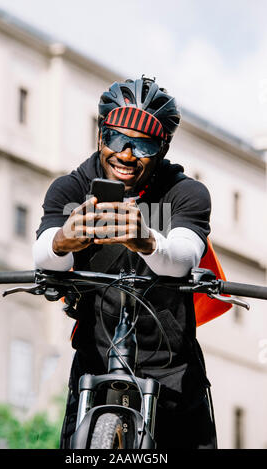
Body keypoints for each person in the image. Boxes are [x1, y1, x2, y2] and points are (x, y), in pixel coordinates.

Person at [33, 76, 217, 449]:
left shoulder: (187, 193)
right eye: (117, 138)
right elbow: (42, 253)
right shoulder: (70, 188)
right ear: (101, 137)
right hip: (94, 363)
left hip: (173, 373)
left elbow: (182, 258)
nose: (127, 154)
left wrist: (146, 240)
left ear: (163, 147)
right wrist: (63, 240)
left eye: (143, 144)